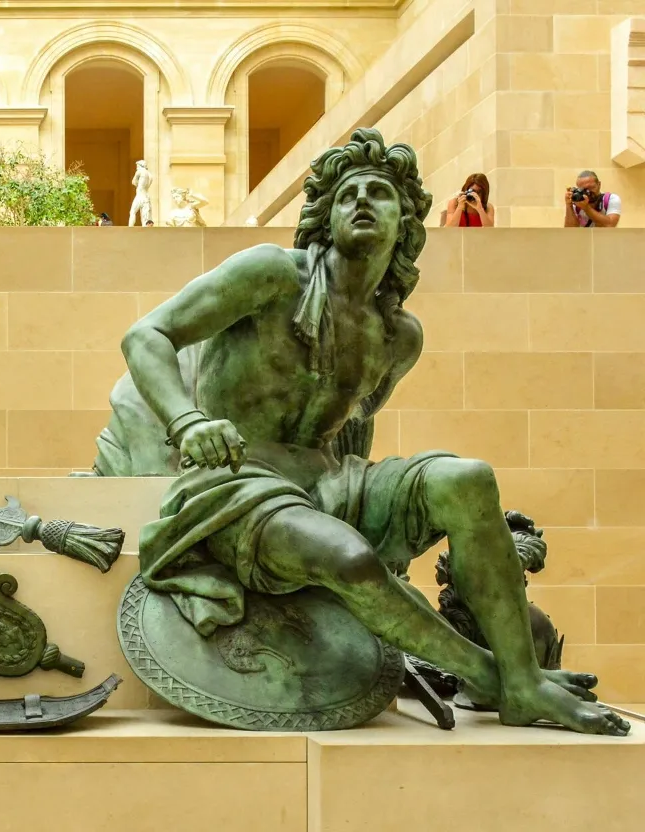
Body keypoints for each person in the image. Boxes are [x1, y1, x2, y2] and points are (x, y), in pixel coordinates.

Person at [96, 127, 627, 736]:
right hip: (230, 481)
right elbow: (146, 335)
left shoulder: (400, 337)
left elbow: (353, 435)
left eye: (381, 192)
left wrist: (385, 530)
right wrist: (187, 421)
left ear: (405, 221)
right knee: (348, 556)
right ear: (327, 215)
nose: (364, 201)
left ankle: (522, 678)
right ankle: (499, 678)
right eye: (350, 193)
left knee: (467, 480)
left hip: (326, 481)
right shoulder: (271, 275)